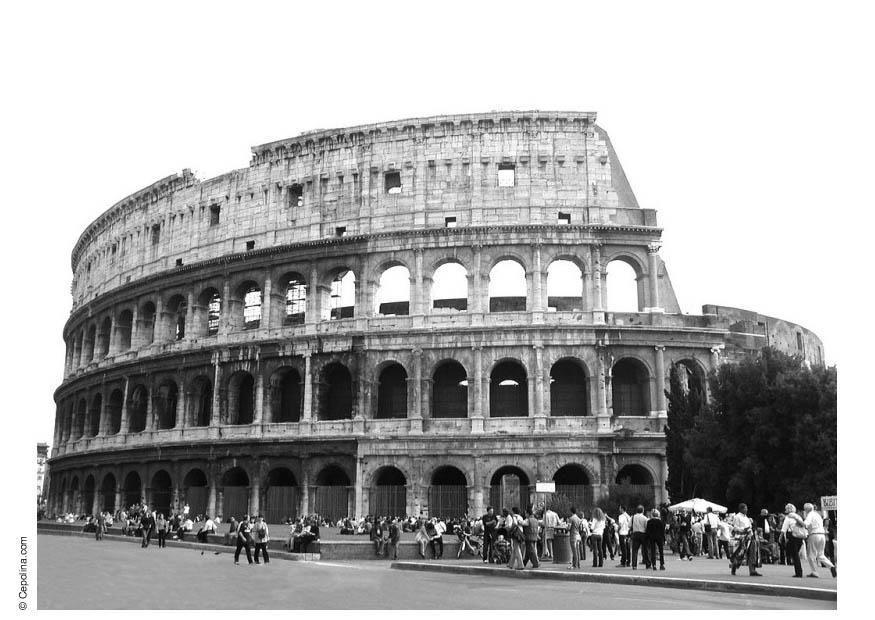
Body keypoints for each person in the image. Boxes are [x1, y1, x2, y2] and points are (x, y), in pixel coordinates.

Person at [802, 503, 835, 578]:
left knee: (811, 555)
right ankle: (831, 566)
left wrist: (799, 522)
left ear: (807, 509)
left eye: (805, 509)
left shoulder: (810, 514)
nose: (804, 510)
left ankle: (814, 572)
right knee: (820, 554)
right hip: (822, 534)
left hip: (814, 534)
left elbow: (806, 523)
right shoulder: (817, 515)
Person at [729, 503, 763, 577]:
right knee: (739, 554)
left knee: (752, 553)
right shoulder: (737, 517)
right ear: (741, 509)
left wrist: (750, 528)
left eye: (746, 508)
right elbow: (735, 527)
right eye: (745, 508)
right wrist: (743, 530)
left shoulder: (747, 518)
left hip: (750, 537)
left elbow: (750, 526)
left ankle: (752, 570)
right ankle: (734, 567)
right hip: (741, 537)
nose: (746, 509)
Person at [780, 503, 806, 578]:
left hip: (793, 536)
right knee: (796, 553)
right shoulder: (798, 516)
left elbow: (784, 527)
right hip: (800, 536)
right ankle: (799, 570)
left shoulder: (788, 517)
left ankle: (798, 572)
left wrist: (781, 536)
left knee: (795, 555)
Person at [630, 505, 649, 569]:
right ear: (642, 510)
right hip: (643, 534)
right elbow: (647, 527)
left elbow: (629, 526)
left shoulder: (633, 517)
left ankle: (634, 565)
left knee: (635, 550)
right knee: (645, 550)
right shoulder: (645, 518)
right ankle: (647, 564)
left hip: (635, 534)